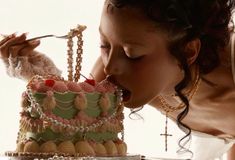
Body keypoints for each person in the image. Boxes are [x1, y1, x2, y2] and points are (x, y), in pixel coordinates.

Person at [0, 0, 235, 159]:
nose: (110, 66)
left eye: (132, 54)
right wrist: (39, 74)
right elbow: (79, 117)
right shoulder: (112, 69)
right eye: (104, 44)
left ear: (188, 52)